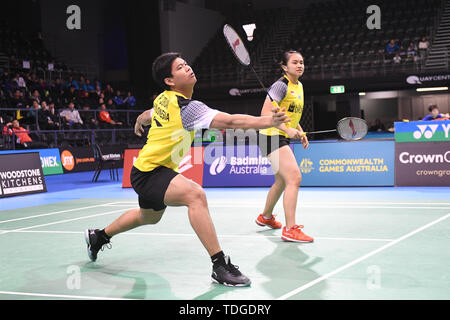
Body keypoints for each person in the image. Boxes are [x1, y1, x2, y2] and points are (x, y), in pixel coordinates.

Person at [84, 52, 288, 287]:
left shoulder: (164, 98)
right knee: (195, 195)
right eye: (180, 67)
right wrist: (268, 122)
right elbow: (231, 122)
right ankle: (219, 265)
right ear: (170, 81)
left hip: (146, 170)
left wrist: (141, 118)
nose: (188, 68)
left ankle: (99, 236)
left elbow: (149, 114)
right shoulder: (186, 107)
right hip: (151, 171)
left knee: (148, 217)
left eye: (186, 64)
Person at [256, 50, 313, 243]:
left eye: (302, 62)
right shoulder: (280, 86)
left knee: (281, 181)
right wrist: (287, 130)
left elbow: (290, 114)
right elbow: (265, 114)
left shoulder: (300, 86)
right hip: (271, 135)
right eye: (295, 62)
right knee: (295, 177)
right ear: (284, 66)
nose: (300, 65)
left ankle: (265, 217)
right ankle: (290, 229)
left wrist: (300, 130)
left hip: (280, 135)